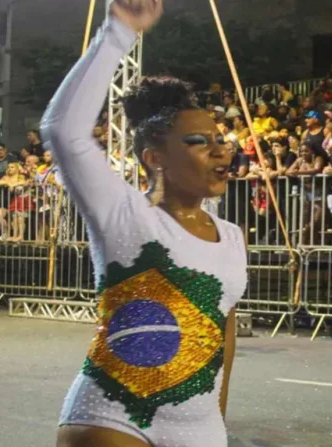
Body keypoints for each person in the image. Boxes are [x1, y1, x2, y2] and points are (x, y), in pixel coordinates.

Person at [45, 3, 247, 446]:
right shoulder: (123, 213)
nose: (221, 151)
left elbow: (222, 335)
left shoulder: (232, 237)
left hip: (200, 428)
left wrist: (215, 422)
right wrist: (119, 31)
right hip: (112, 417)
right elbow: (63, 131)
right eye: (199, 142)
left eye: (221, 140)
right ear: (155, 159)